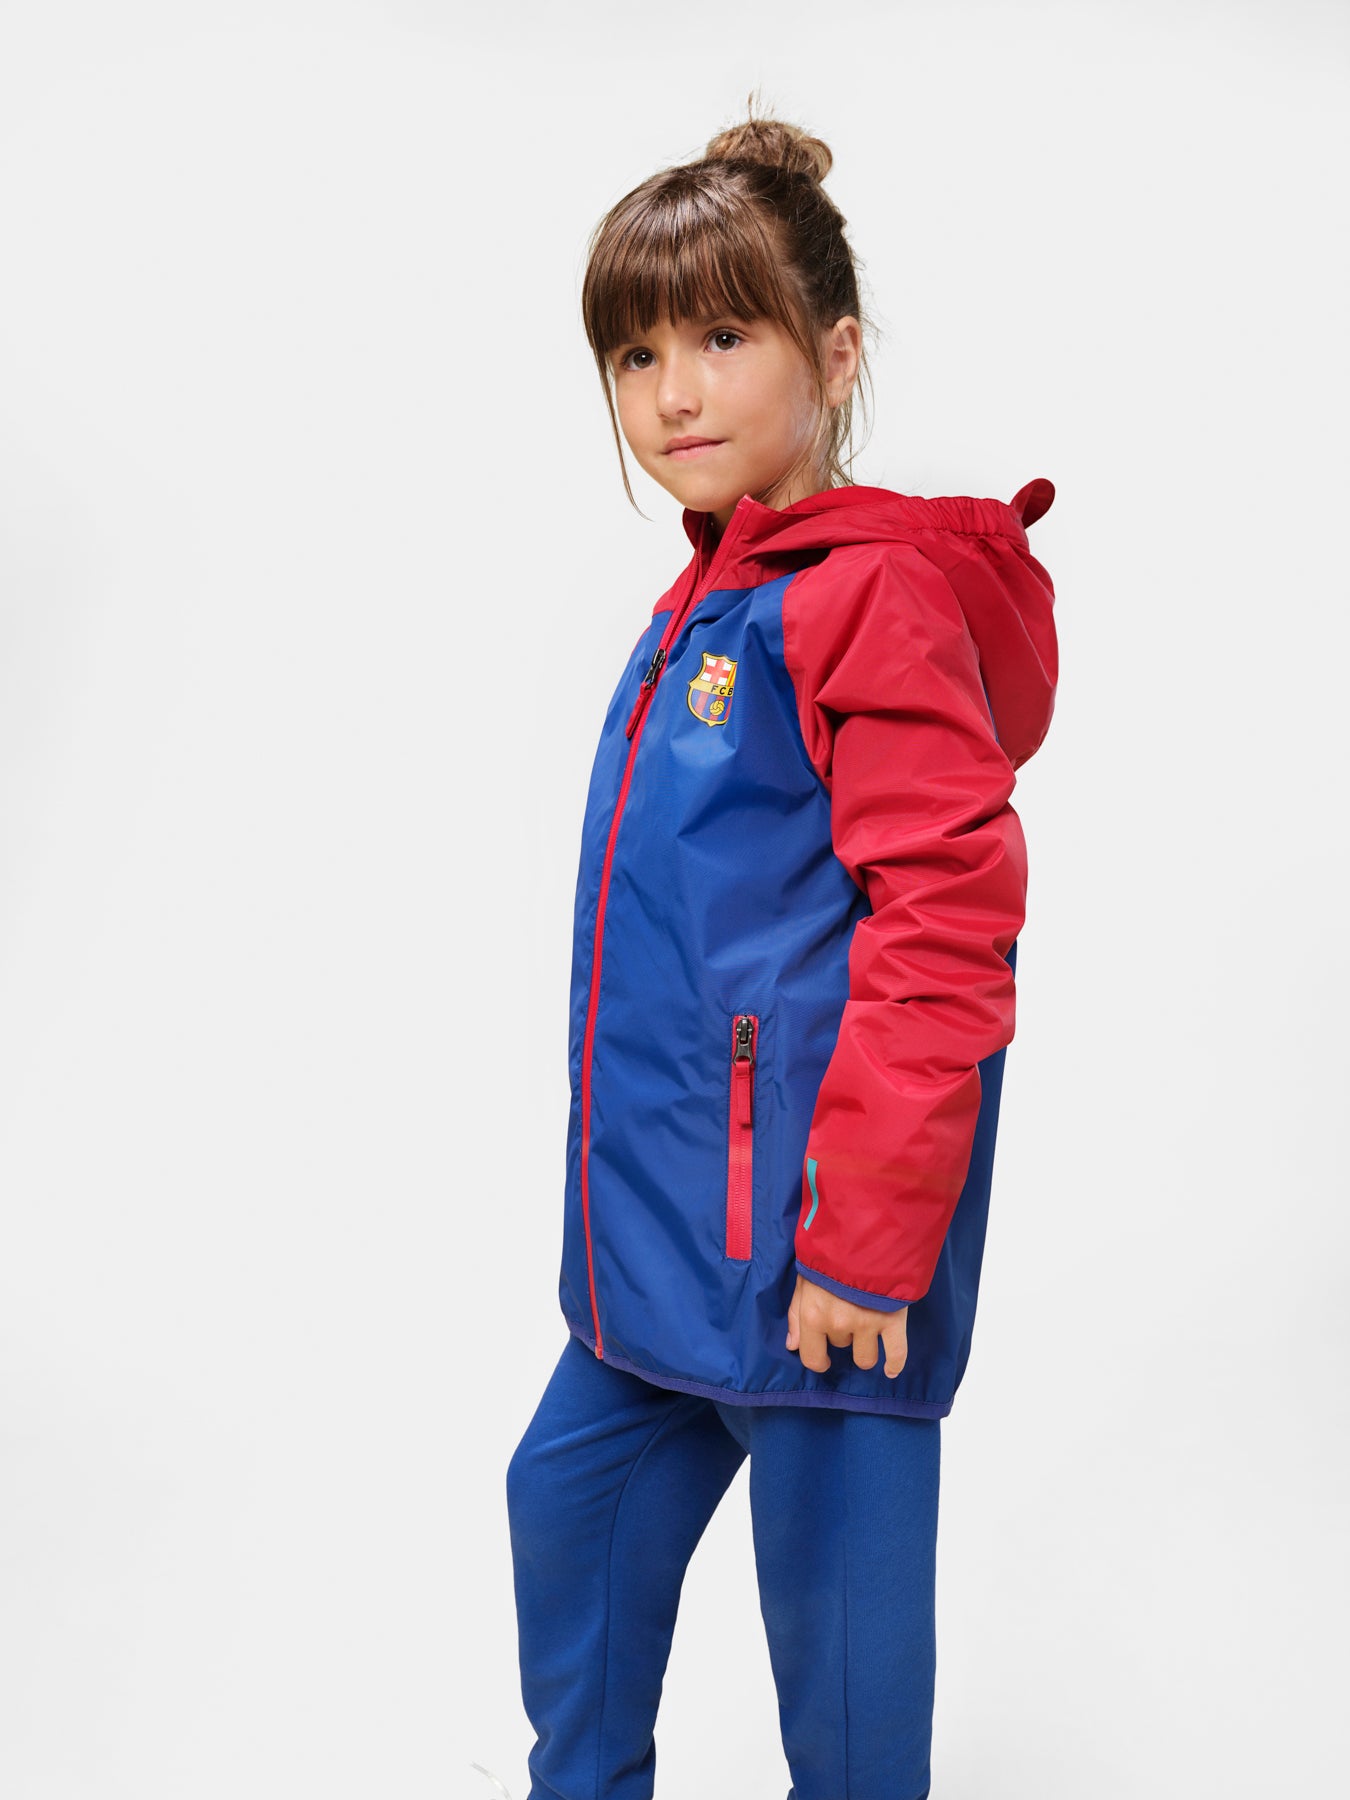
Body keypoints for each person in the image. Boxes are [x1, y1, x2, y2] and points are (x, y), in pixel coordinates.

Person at [491, 94, 1059, 1800]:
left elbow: (945, 926)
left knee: (844, 1689)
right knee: (564, 1499)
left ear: (835, 354)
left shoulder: (856, 594)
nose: (672, 391)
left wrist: (868, 1244)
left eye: (721, 339)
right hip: (661, 1251)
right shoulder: (713, 597)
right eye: (635, 353)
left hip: (821, 1263)